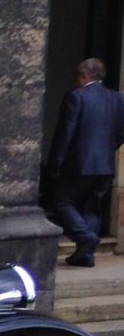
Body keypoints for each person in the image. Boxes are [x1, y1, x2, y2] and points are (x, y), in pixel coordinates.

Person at [45, 56, 124, 267]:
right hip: (105, 165)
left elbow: (65, 134)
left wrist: (56, 164)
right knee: (92, 207)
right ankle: (85, 255)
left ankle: (85, 237)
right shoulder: (117, 99)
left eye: (76, 76)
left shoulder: (76, 96)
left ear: (85, 76)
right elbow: (121, 132)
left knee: (62, 202)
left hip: (79, 163)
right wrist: (106, 150)